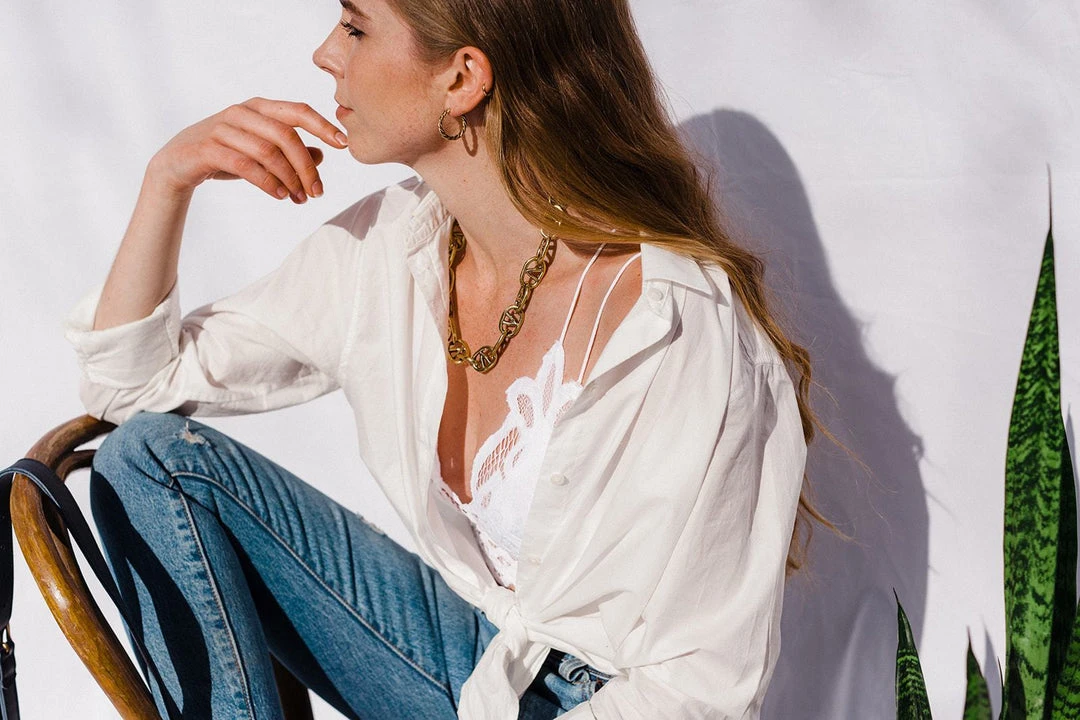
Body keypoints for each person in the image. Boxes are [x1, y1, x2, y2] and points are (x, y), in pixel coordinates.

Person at [65, 0, 841, 717]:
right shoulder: (390, 247)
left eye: (356, 27)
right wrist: (170, 179)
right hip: (480, 667)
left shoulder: (677, 328)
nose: (325, 53)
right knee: (151, 460)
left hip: (603, 704)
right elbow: (129, 386)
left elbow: (699, 690)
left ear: (464, 78)